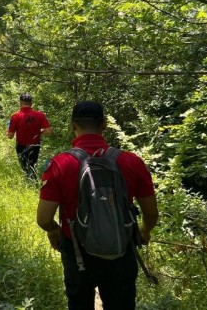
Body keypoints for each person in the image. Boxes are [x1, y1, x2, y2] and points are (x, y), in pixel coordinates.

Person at [37, 101, 159, 310]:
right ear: (103, 125)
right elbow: (151, 213)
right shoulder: (131, 161)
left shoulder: (59, 164)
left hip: (77, 252)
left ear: (73, 125)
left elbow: (44, 219)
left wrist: (54, 231)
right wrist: (144, 231)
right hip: (122, 249)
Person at [6, 93, 52, 179]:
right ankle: (34, 183)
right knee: (32, 167)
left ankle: (31, 184)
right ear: (31, 103)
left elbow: (10, 136)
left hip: (21, 146)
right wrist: (40, 131)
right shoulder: (40, 115)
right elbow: (49, 132)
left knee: (25, 169)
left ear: (20, 103)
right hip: (35, 146)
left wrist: (7, 131)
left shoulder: (15, 116)